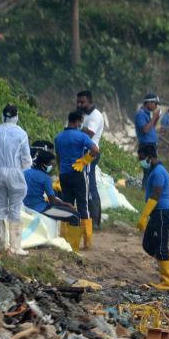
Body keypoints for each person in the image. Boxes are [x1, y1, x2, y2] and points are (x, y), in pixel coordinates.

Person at [0, 104, 32, 255]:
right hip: (15, 172)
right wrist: (18, 167)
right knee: (15, 207)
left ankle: (3, 244)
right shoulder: (21, 134)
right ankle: (15, 247)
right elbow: (26, 160)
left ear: (2, 115)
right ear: (16, 116)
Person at [54, 110, 100, 250]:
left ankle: (65, 240)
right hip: (78, 174)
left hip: (64, 175)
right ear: (77, 121)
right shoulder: (82, 136)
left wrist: (61, 170)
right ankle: (87, 241)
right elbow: (95, 150)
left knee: (67, 205)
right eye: (81, 122)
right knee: (83, 206)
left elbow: (58, 156)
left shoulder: (58, 137)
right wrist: (84, 160)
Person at [136, 144, 169, 291]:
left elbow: (156, 194)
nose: (140, 161)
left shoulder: (159, 172)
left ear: (149, 157)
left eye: (141, 158)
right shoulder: (154, 170)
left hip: (161, 213)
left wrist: (144, 215)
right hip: (156, 213)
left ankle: (166, 282)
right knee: (148, 244)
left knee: (160, 247)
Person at [76, 90, 105, 232]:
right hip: (80, 153)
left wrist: (78, 125)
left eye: (82, 102)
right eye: (78, 102)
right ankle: (83, 217)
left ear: (90, 101)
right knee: (82, 186)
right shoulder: (81, 114)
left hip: (90, 154)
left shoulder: (95, 115)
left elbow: (90, 133)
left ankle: (94, 221)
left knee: (90, 187)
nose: (79, 105)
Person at [23, 150, 77, 224]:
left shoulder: (25, 172)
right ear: (43, 164)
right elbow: (53, 201)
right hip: (41, 209)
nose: (52, 167)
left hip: (25, 206)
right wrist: (65, 204)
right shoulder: (45, 178)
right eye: (50, 165)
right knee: (75, 216)